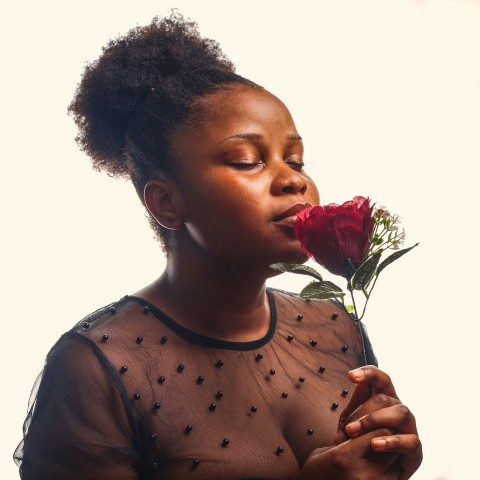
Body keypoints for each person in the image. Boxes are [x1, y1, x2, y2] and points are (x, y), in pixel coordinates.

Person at [14, 11, 422, 480]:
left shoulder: (336, 326)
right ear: (167, 203)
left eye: (296, 158)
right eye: (248, 160)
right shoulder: (96, 368)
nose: (293, 180)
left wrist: (391, 456)